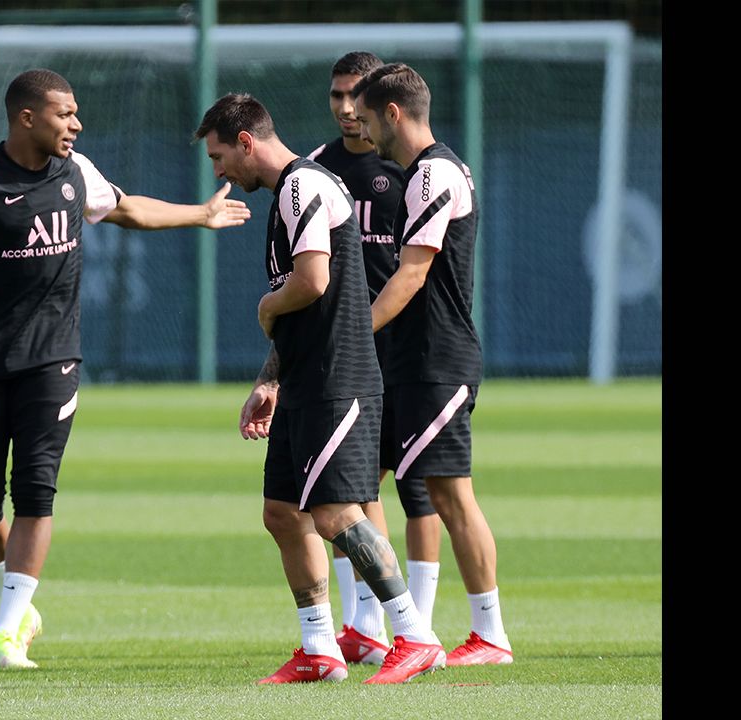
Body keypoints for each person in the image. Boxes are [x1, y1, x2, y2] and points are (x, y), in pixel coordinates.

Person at [0, 68, 250, 670]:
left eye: (75, 114)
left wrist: (200, 215)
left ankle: (3, 634)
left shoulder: (78, 173)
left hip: (54, 360)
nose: (76, 124)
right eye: (64, 113)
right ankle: (16, 608)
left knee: (36, 488)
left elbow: (129, 210)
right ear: (26, 118)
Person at [196, 92, 444, 685]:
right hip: (305, 378)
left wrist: (265, 306)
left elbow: (310, 282)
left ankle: (414, 634)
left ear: (247, 141)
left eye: (219, 156)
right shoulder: (290, 190)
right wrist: (269, 379)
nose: (218, 171)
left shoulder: (303, 185)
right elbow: (305, 311)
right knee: (283, 512)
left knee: (334, 512)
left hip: (339, 379)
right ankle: (319, 649)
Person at [352, 62, 513, 665]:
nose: (362, 130)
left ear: (393, 113)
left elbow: (412, 274)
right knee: (358, 482)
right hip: (409, 361)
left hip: (437, 360)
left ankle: (490, 635)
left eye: (368, 118)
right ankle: (388, 626)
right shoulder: (424, 171)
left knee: (450, 495)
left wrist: (349, 332)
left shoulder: (434, 173)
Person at [306, 52, 445, 664]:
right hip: (346, 353)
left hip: (403, 349)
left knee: (419, 490)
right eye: (336, 95)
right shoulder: (315, 171)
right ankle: (366, 626)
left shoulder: (414, 172)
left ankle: (420, 628)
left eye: (354, 96)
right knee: (348, 484)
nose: (344, 108)